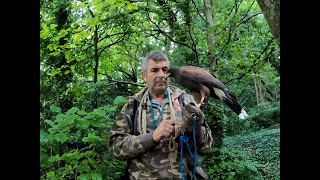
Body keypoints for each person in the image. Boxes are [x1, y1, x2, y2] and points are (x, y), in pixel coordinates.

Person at [108, 51, 213, 179]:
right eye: (154, 70)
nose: (161, 75)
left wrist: (194, 128)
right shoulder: (133, 105)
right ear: (144, 75)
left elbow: (207, 147)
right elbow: (116, 148)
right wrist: (152, 137)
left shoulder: (186, 101)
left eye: (165, 70)